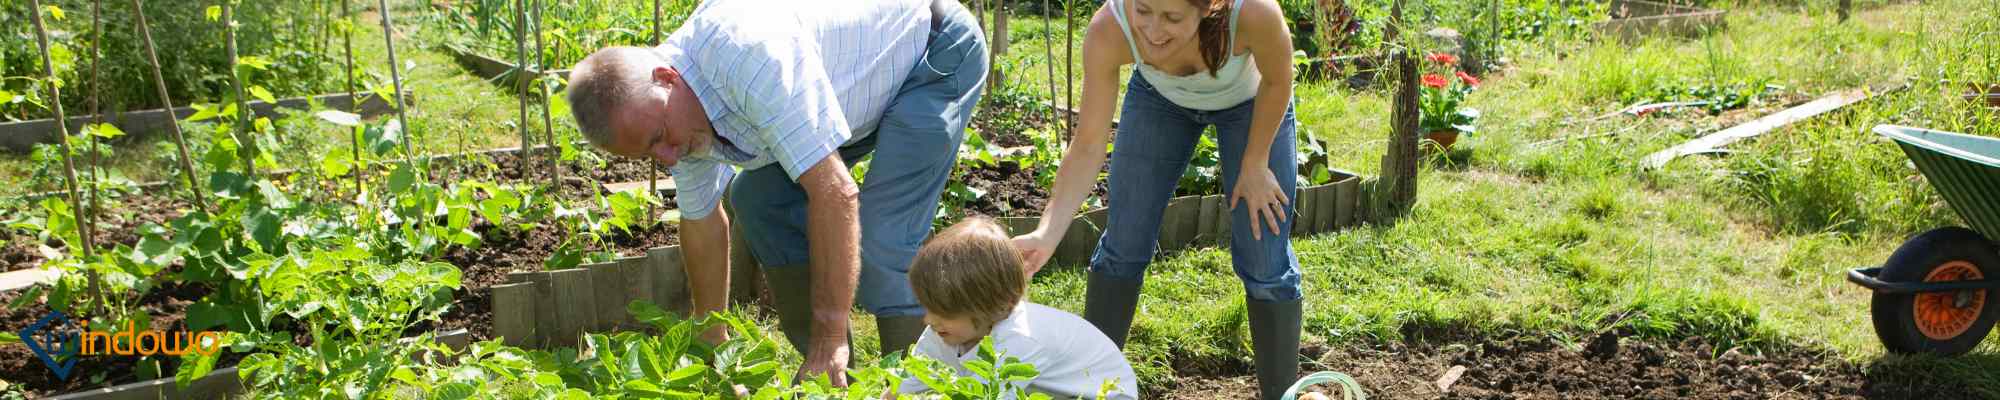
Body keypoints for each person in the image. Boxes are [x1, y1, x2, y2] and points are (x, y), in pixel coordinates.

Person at [563, 0, 988, 385]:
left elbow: (835, 193)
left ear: (666, 77)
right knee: (758, 199)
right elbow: (702, 221)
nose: (669, 157)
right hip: (855, 92)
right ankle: (830, 382)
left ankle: (918, 384)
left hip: (930, 54)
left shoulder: (749, 57)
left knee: (882, 236)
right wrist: (711, 340)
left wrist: (831, 331)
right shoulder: (673, 115)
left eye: (660, 137)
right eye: (651, 152)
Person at [1005, 0, 1304, 398]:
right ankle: (1092, 386)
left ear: (1208, 8)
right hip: (1160, 100)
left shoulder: (1253, 14)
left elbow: (1278, 80)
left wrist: (1255, 164)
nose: (1152, 29)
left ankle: (1283, 393)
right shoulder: (1109, 29)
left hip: (1251, 104)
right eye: (1142, 10)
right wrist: (1047, 233)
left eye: (1172, 18)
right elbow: (1089, 144)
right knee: (1124, 241)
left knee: (1264, 252)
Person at [900, 217, 1139, 399]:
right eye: (927, 307)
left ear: (991, 307)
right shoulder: (942, 331)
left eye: (944, 312)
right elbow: (903, 387)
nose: (929, 320)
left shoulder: (1018, 340)